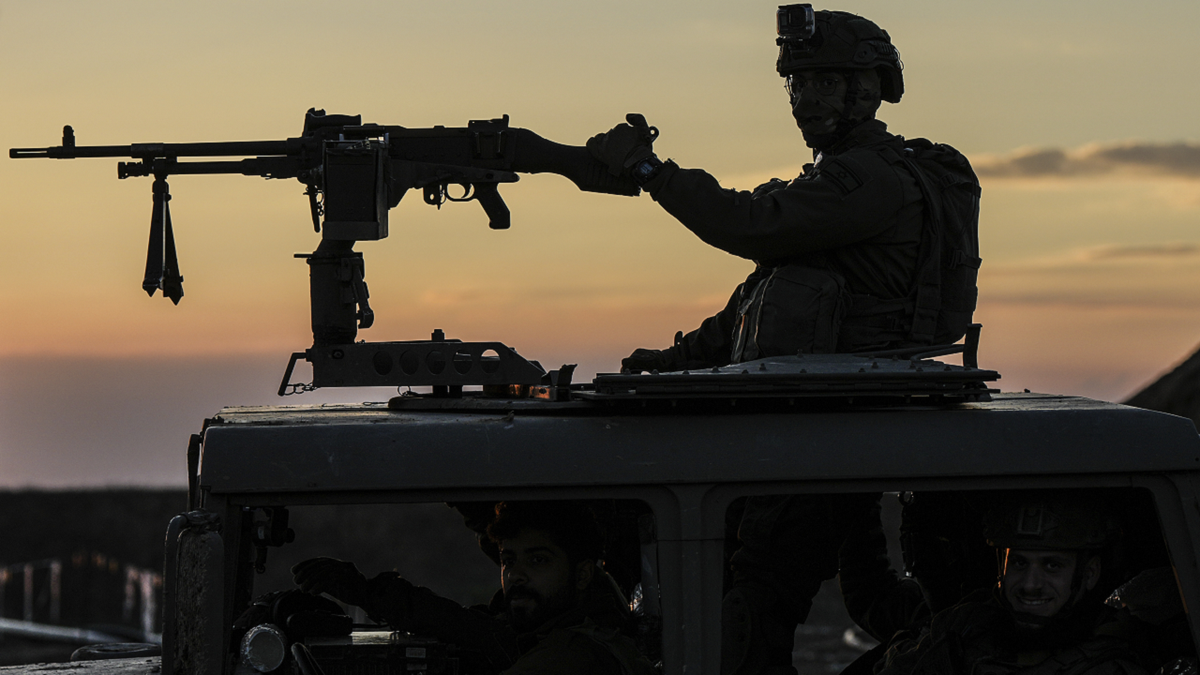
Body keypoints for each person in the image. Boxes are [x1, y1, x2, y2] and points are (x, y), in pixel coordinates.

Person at [585, 4, 981, 373]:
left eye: (826, 83)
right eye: (798, 84)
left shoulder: (868, 179)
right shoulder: (836, 175)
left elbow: (751, 228)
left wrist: (649, 170)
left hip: (848, 388)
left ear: (868, 88)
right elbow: (763, 293)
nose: (803, 103)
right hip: (823, 379)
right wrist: (677, 360)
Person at [292, 501, 657, 675]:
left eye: (539, 560)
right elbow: (480, 632)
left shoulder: (576, 653)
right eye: (509, 561)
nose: (517, 575)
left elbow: (483, 636)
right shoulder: (549, 623)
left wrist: (368, 593)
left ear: (582, 575)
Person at [873, 494, 1147, 675]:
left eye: (1052, 565)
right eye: (1018, 563)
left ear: (1089, 574)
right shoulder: (961, 630)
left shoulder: (1115, 662)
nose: (1030, 584)